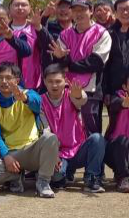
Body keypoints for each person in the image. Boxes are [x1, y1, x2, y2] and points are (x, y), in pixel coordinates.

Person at [0, 62, 61, 198]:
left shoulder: (29, 94)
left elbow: (37, 103)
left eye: (8, 78)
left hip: (33, 148)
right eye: (0, 78)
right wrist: (6, 156)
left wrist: (24, 98)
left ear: (17, 80)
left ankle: (43, 182)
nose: (4, 81)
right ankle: (16, 176)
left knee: (51, 139)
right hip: (12, 153)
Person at [49, 0, 111, 134]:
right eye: (75, 10)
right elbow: (59, 62)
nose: (79, 13)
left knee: (91, 132)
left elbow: (95, 63)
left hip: (91, 91)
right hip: (67, 90)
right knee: (69, 130)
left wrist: (68, 65)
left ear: (91, 11)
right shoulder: (65, 34)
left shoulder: (102, 33)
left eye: (82, 10)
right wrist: (61, 58)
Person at [40, 64, 105, 193]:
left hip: (77, 150)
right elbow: (45, 130)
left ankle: (91, 178)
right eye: (50, 81)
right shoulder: (41, 101)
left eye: (58, 81)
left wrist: (79, 95)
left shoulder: (71, 94)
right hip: (58, 154)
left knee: (97, 139)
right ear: (44, 82)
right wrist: (53, 154)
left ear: (65, 81)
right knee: (56, 178)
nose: (54, 85)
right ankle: (65, 174)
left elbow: (82, 100)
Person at [8, 0, 48, 92]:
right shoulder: (2, 30)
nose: (20, 8)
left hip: (32, 84)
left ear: (30, 9)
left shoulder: (36, 29)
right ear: (10, 8)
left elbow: (47, 45)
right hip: (5, 84)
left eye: (24, 5)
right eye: (16, 5)